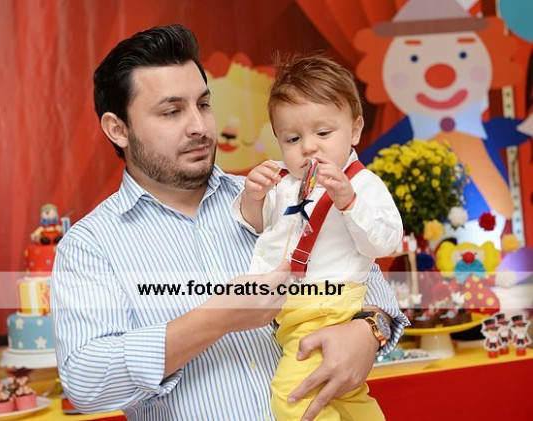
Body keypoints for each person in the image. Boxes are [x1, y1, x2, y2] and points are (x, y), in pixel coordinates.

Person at [52, 24, 408, 421]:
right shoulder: (90, 245)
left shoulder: (276, 195)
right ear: (118, 129)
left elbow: (372, 284)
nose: (199, 126)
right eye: (172, 111)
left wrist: (368, 330)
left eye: (203, 104)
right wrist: (218, 317)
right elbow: (85, 383)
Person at [234, 55, 403, 420]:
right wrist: (254, 196)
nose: (308, 147)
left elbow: (386, 243)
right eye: (293, 138)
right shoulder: (282, 182)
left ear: (355, 130)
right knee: (345, 397)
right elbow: (255, 227)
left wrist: (349, 202)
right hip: (291, 309)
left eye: (323, 133)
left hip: (326, 307)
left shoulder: (362, 183)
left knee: (292, 398)